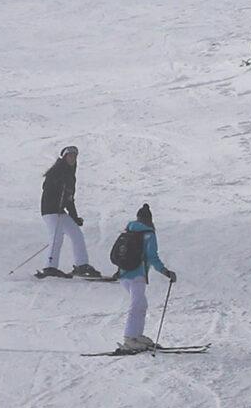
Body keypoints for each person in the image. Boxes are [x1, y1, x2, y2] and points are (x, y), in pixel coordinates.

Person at [109, 203, 176, 352]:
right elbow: (152, 257)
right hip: (137, 275)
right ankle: (129, 338)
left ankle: (136, 335)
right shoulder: (148, 234)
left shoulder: (128, 231)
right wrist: (165, 271)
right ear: (149, 219)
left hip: (124, 275)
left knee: (141, 304)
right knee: (136, 305)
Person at [35, 146, 101, 279]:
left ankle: (81, 265)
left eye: (75, 156)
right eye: (70, 156)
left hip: (60, 211)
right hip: (50, 211)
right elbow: (47, 188)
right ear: (64, 157)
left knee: (77, 234)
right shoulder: (56, 172)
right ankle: (50, 267)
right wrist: (57, 194)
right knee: (56, 237)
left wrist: (74, 217)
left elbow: (70, 200)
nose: (73, 158)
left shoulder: (70, 176)